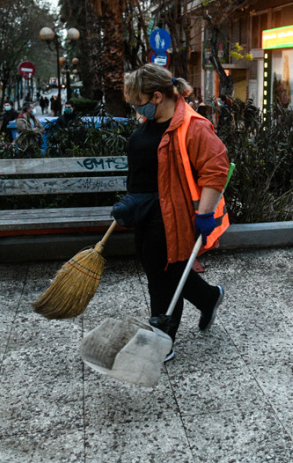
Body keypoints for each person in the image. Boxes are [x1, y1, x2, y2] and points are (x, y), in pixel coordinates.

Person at [118, 63, 229, 361]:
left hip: (172, 214)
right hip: (145, 210)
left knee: (162, 275)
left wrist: (205, 215)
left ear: (156, 96)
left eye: (138, 101)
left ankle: (163, 341)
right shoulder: (150, 121)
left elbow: (215, 171)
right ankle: (209, 298)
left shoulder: (193, 127)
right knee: (167, 269)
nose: (136, 108)